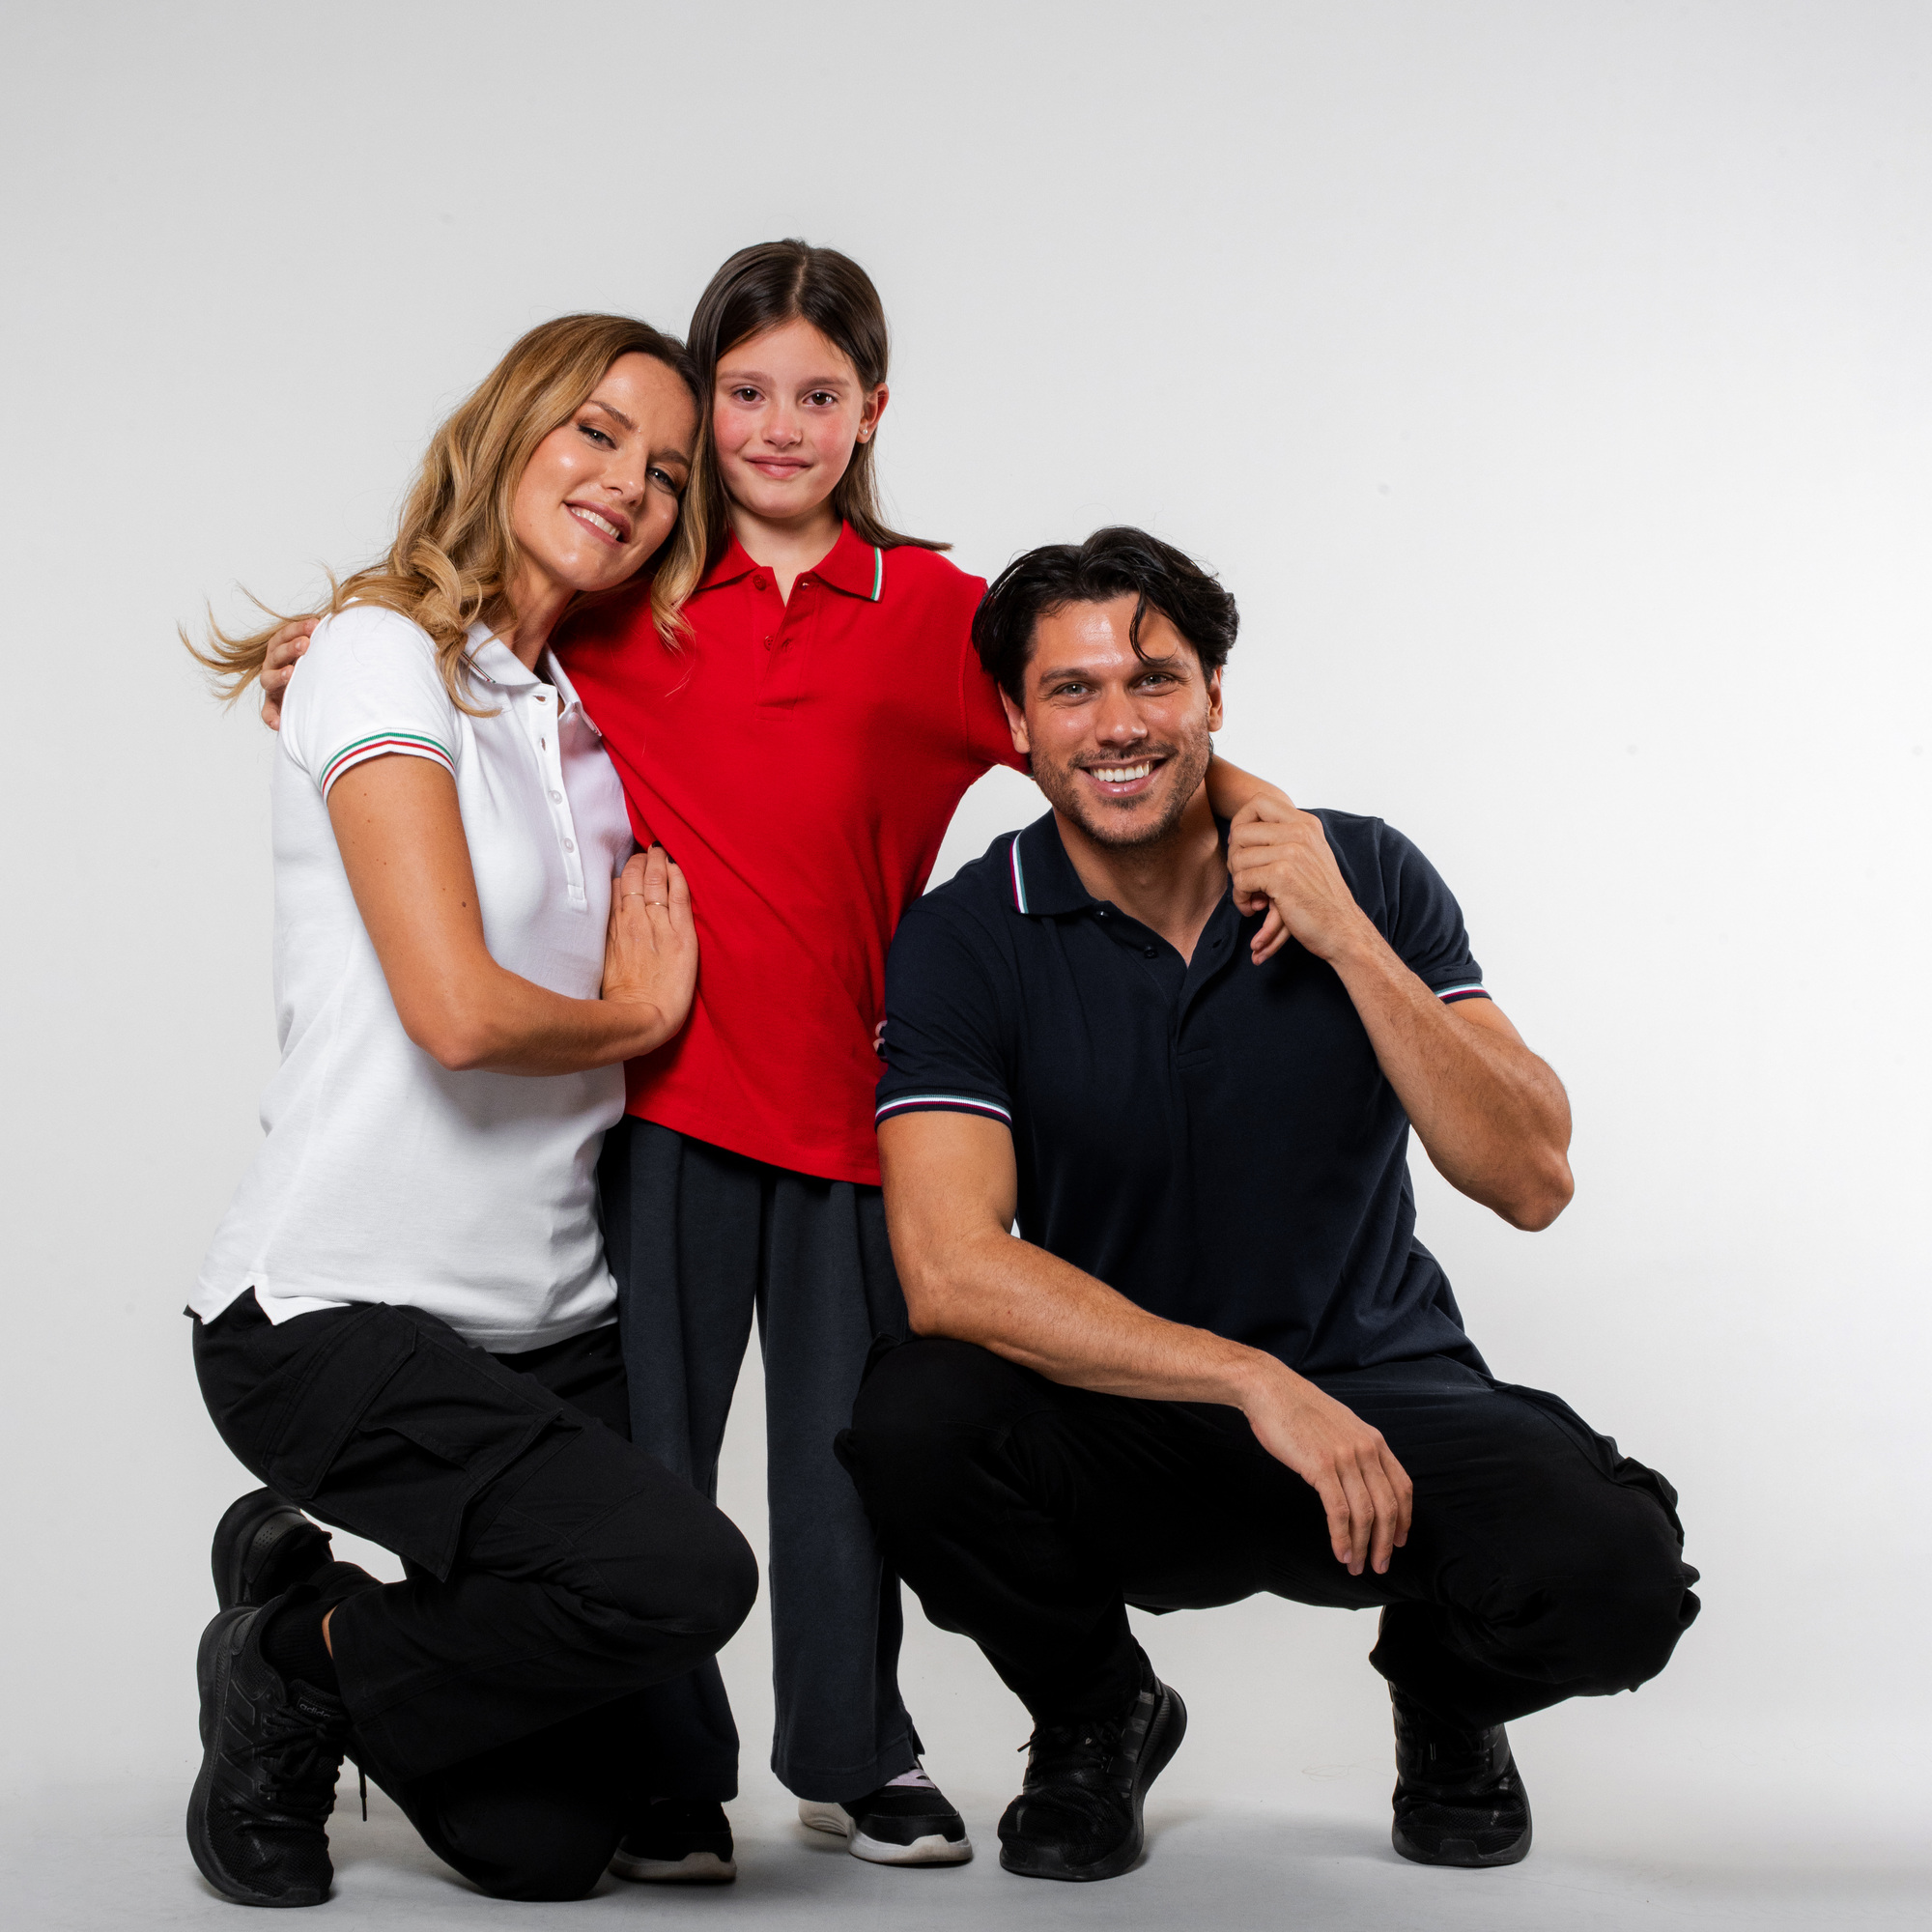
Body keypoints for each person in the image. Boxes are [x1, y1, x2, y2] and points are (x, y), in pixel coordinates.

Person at [257, 241, 1286, 1877]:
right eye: (744, 394)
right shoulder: (630, 595)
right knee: (651, 1460)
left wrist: (1269, 814)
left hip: (857, 1114)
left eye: (818, 395)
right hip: (659, 1109)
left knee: (836, 1466)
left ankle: (854, 1755)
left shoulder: (940, 616)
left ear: (872, 410)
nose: (779, 427)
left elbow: (1107, 729)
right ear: (707, 404)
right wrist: (336, 636)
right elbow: (477, 633)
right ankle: (670, 1772)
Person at [840, 526, 1702, 1884]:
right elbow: (949, 1269)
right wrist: (1249, 1380)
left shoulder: (1367, 870)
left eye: (1155, 680)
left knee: (1620, 1576)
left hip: (1379, 1406)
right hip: (1130, 1420)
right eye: (1072, 690)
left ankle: (1447, 1693)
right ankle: (1097, 1712)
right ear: (1016, 723)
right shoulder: (967, 937)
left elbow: (1532, 1178)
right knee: (913, 1418)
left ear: (1214, 697)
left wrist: (1345, 932)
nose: (1120, 725)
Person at [183, 313, 758, 1908]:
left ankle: (298, 1607)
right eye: (595, 432)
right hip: (334, 1314)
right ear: (506, 432)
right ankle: (286, 1670)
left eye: (666, 472)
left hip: (553, 1324)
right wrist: (636, 1018)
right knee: (683, 1576)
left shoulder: (604, 722)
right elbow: (453, 1010)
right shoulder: (380, 656)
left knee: (549, 1850)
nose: (627, 483)